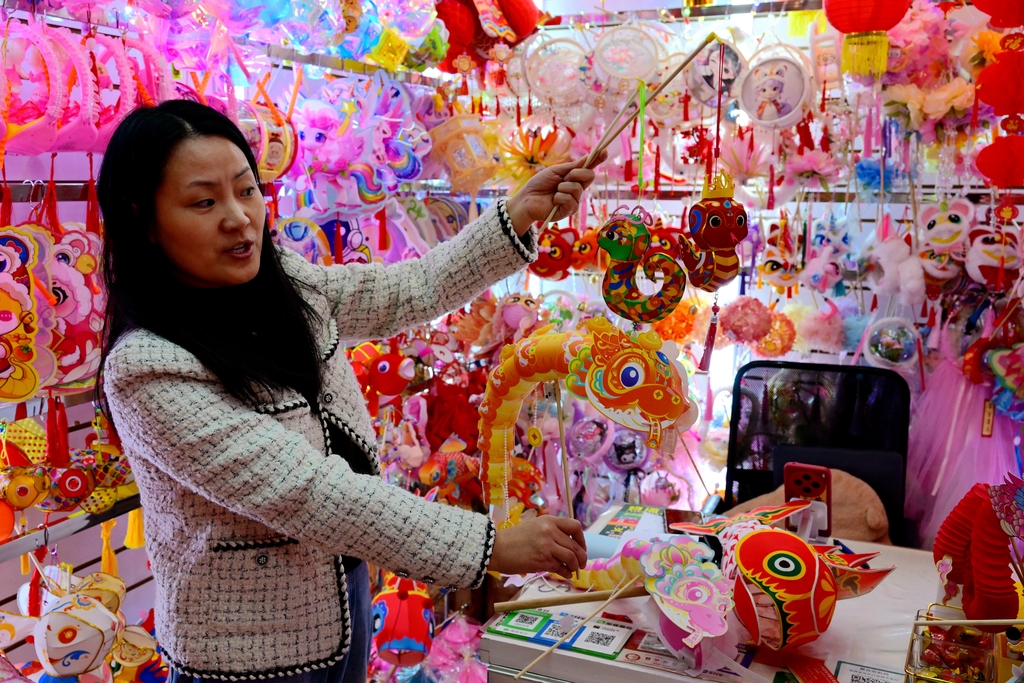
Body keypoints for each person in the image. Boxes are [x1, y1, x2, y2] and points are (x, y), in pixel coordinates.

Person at [98, 100, 606, 683]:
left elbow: (406, 290)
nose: (239, 218)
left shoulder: (283, 283)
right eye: (203, 202)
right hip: (245, 653)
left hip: (340, 598)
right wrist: (487, 546)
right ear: (144, 220)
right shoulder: (147, 367)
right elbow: (307, 492)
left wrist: (516, 216)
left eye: (247, 190)